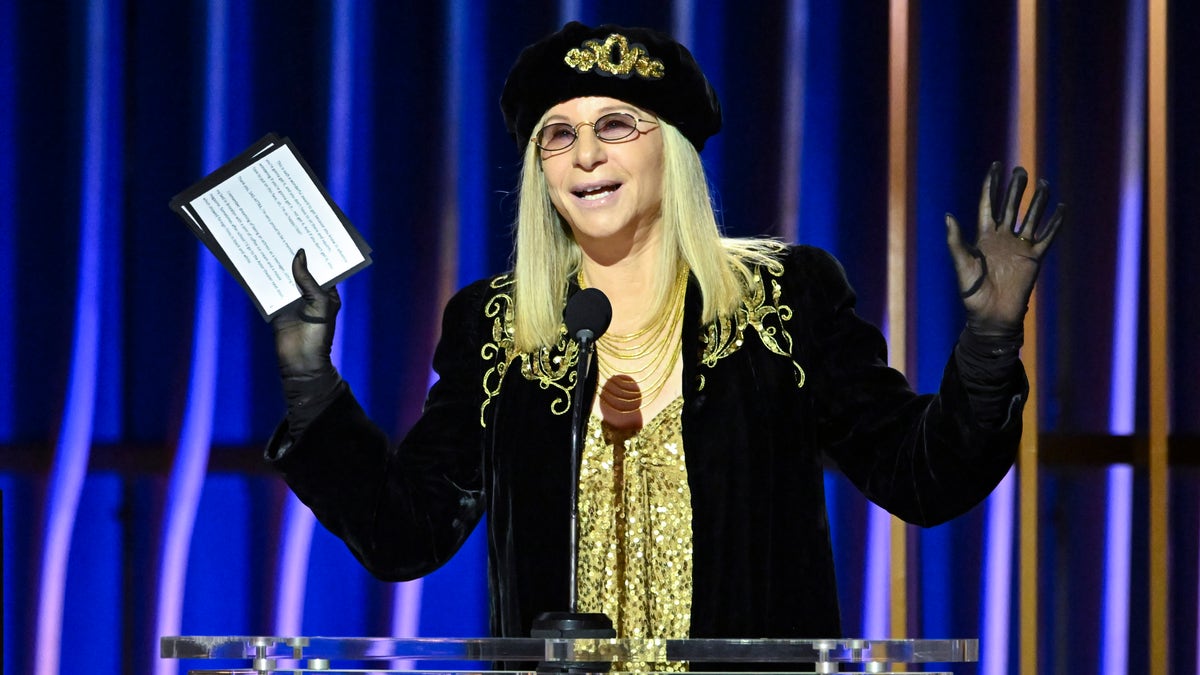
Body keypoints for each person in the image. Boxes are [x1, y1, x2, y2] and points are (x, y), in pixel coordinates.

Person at [266, 21, 1063, 646]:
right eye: (559, 133)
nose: (585, 155)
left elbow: (921, 478)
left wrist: (990, 340)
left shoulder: (782, 300)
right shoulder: (497, 326)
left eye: (616, 125)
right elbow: (407, 534)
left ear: (672, 153)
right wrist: (311, 384)